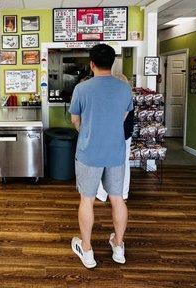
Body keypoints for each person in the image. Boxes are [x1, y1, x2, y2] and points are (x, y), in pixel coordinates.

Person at [69, 44, 133, 269]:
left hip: (89, 152)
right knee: (117, 198)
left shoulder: (82, 89)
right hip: (115, 150)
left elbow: (75, 120)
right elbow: (123, 118)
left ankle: (86, 250)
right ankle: (118, 245)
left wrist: (87, 132)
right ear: (113, 63)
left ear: (91, 64)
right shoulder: (124, 88)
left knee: (87, 199)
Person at [96, 73, 134, 201]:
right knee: (124, 164)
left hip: (110, 135)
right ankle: (123, 193)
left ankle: (102, 194)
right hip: (126, 136)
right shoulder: (128, 97)